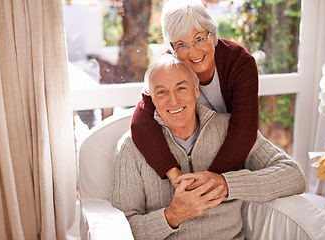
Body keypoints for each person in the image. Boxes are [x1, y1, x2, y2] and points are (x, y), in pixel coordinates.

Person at [111, 54, 306, 240]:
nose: (173, 101)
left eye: (181, 88)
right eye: (162, 92)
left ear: (196, 89)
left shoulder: (232, 130)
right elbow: (118, 230)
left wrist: (225, 184)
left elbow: (293, 176)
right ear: (151, 98)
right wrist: (172, 216)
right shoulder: (130, 148)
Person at [130, 0, 259, 186]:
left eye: (199, 38)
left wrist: (208, 182)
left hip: (233, 159)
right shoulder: (168, 67)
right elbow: (140, 122)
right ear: (173, 48)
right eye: (181, 44)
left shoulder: (240, 63)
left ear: (213, 34)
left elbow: (244, 129)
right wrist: (175, 176)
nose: (193, 51)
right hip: (191, 157)